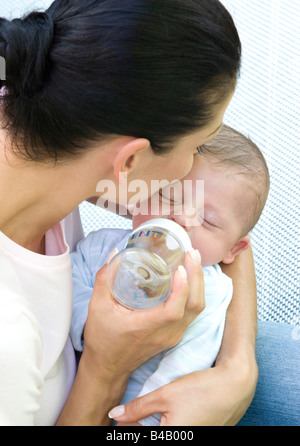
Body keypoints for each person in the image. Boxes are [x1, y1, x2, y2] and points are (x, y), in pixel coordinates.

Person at [0, 0, 259, 426]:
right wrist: (107, 365)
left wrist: (239, 369)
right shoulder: (10, 341)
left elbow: (233, 232)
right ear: (132, 159)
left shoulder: (40, 111)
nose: (195, 170)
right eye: (198, 146)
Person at [70, 125, 270, 426]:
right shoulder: (103, 245)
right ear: (139, 194)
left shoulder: (212, 293)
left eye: (208, 221)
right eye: (169, 196)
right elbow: (67, 281)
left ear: (233, 249)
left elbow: (188, 365)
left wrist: (143, 416)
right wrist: (87, 324)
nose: (182, 217)